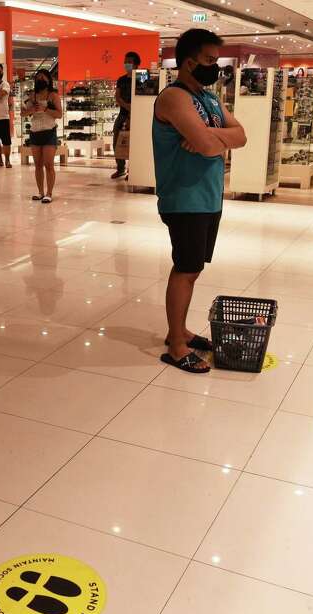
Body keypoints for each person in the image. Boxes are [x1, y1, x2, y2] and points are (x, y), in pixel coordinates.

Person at [153, 28, 246, 373]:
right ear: (189, 62)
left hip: (208, 197)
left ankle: (179, 330)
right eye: (209, 60)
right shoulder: (174, 98)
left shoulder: (208, 98)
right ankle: (176, 346)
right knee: (186, 269)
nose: (214, 67)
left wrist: (212, 136)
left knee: (193, 269)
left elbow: (242, 136)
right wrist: (216, 140)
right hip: (185, 198)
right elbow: (211, 146)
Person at [22, 69, 62, 204]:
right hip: (35, 132)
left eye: (43, 77)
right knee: (38, 164)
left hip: (49, 132)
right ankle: (40, 192)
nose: (40, 80)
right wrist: (31, 110)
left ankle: (49, 193)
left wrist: (45, 109)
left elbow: (59, 114)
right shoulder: (31, 96)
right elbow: (23, 113)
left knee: (48, 164)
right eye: (38, 78)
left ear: (48, 80)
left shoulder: (53, 96)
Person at [112, 51, 140, 179]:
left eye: (129, 61)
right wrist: (126, 105)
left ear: (136, 64)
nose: (126, 64)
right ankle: (120, 167)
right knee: (117, 139)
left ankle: (132, 170)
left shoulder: (141, 78)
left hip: (138, 115)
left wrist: (133, 108)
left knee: (134, 143)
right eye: (125, 61)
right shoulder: (121, 79)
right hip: (123, 113)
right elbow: (117, 97)